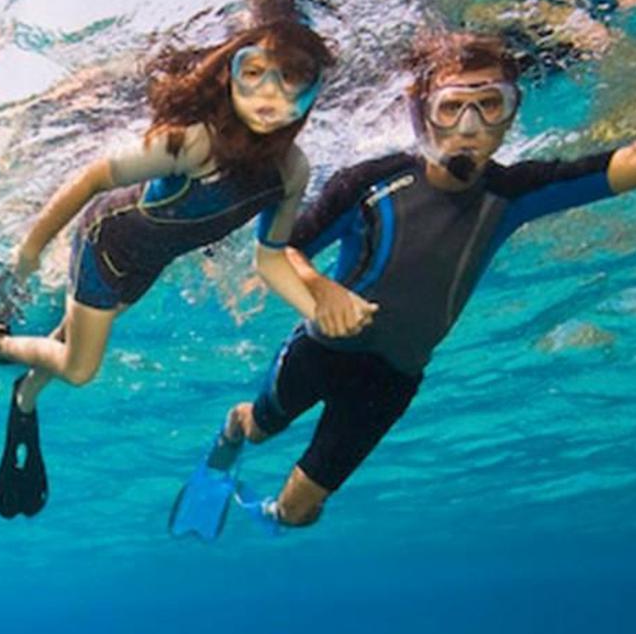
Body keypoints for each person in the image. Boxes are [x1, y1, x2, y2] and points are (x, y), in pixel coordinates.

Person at [200, 30, 636, 534]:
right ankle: (231, 432)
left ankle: (268, 514)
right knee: (259, 429)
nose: (470, 126)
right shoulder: (369, 182)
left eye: (490, 105)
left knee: (298, 514)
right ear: (422, 112)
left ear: (510, 113)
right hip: (321, 351)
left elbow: (622, 166)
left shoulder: (512, 192)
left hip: (392, 380)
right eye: (452, 107)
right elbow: (283, 250)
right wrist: (320, 290)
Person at [0, 0, 358, 519]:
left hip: (150, 258)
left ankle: (26, 394)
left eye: (292, 77)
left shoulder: (292, 172)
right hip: (106, 244)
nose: (270, 93)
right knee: (81, 368)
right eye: (254, 73)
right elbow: (92, 180)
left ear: (313, 89)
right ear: (229, 76)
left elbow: (270, 260)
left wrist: (318, 315)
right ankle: (0, 346)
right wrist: (29, 251)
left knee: (71, 336)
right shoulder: (194, 143)